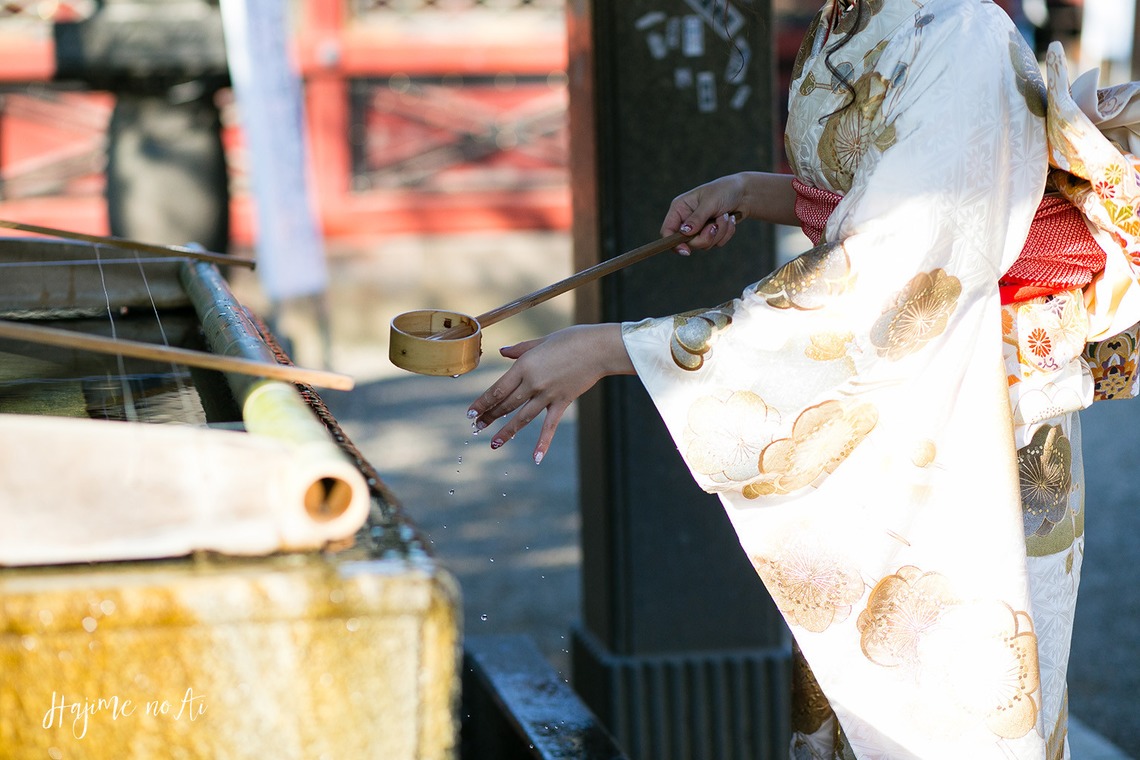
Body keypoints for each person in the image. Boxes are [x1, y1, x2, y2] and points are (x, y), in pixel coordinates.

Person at [467, 0, 1140, 756]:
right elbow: (880, 193)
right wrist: (752, 190)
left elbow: (894, 279)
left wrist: (610, 349)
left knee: (953, 702)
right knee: (850, 691)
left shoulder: (961, 33)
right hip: (877, 405)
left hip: (973, 404)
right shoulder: (842, 19)